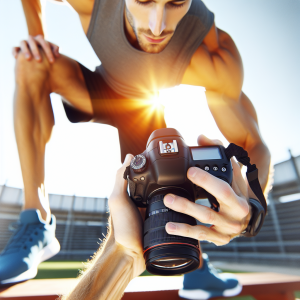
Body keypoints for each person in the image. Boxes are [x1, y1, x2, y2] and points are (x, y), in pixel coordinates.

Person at [0, 0, 271, 299]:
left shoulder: (212, 53)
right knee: (32, 62)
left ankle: (197, 272)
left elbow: (254, 144)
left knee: (164, 189)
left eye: (176, 2)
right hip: (100, 90)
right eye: (144, 1)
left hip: (141, 107)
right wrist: (36, 36)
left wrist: (252, 209)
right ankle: (35, 222)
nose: (158, 26)